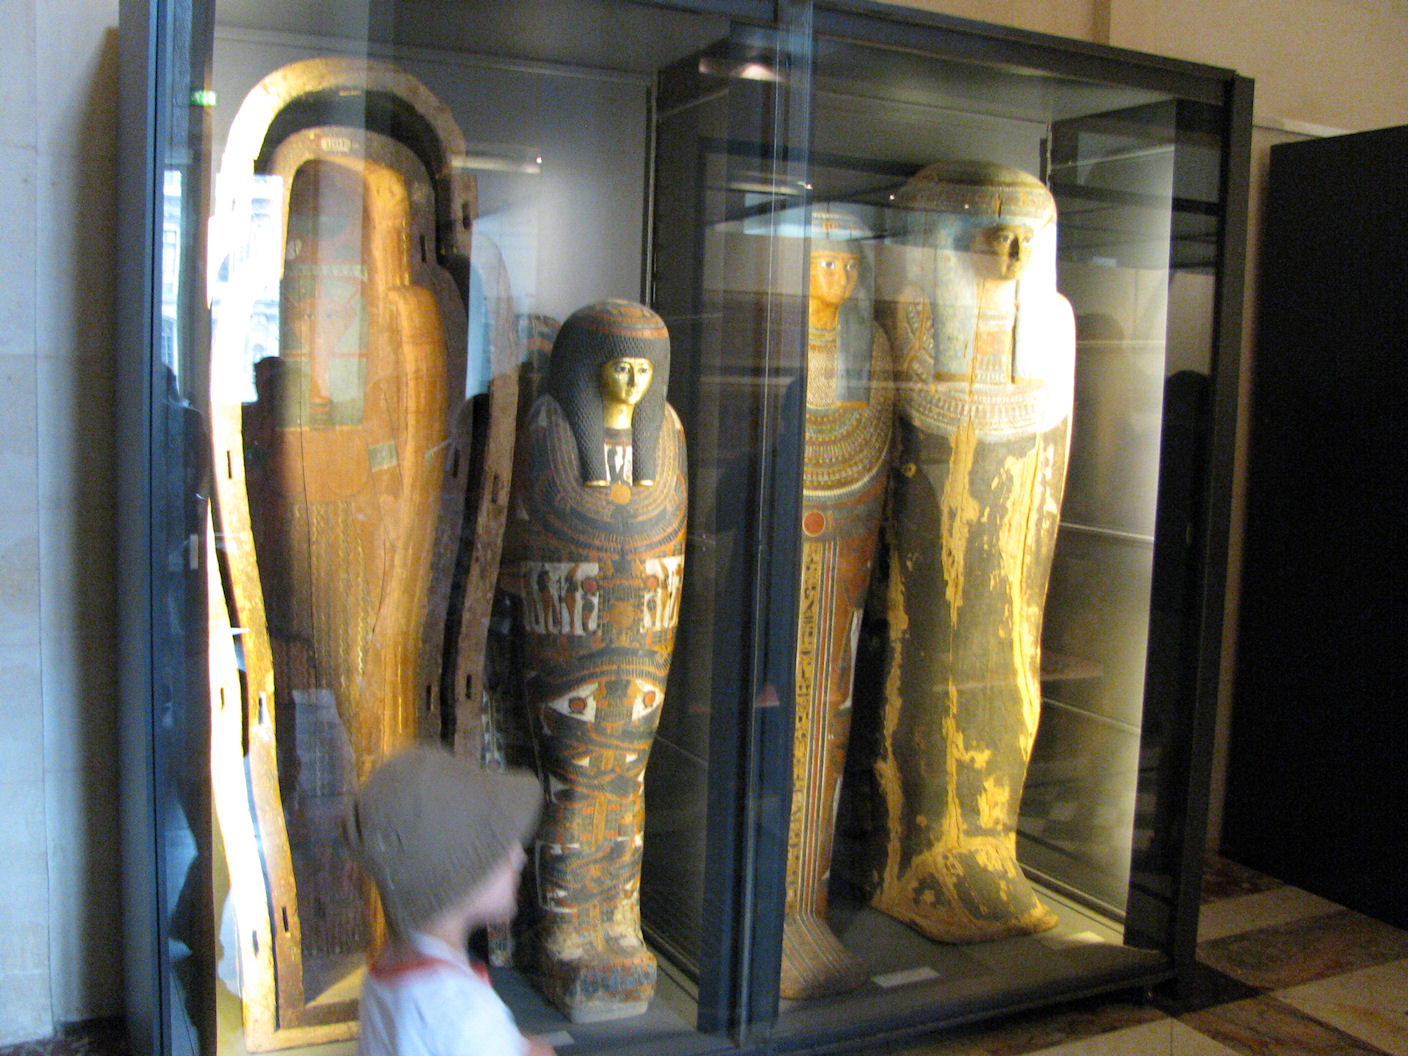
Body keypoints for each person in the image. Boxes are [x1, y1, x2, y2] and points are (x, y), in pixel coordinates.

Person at [343, 744, 554, 1056]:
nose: (520, 857)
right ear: (461, 879)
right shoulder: (464, 1011)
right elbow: (465, 1032)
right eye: (501, 847)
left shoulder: (383, 976)